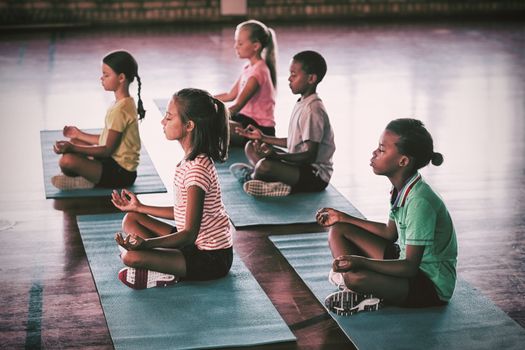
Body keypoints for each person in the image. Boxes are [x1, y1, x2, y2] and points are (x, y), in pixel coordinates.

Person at [316, 118, 458, 316]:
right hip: (407, 264)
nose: (375, 153)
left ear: (403, 161)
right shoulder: (402, 188)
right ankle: (361, 288)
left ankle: (360, 287)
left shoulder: (420, 202)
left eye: (382, 150)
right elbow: (390, 233)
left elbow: (409, 268)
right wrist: (342, 217)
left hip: (429, 285)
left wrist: (361, 262)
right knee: (338, 230)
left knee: (355, 278)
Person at [111, 88, 233, 290]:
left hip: (211, 258)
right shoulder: (189, 160)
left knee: (130, 256)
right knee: (131, 218)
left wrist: (146, 245)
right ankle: (160, 262)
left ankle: (166, 272)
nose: (162, 122)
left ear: (189, 125)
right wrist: (139, 207)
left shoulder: (197, 170)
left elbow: (188, 234)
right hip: (192, 244)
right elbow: (182, 213)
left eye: (168, 117)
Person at [230, 50, 335, 197]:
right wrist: (262, 137)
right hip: (300, 166)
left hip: (314, 176)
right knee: (250, 147)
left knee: (265, 165)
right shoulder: (303, 102)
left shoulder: (312, 110)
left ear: (311, 78)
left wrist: (277, 156)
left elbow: (310, 156)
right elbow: (294, 142)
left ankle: (253, 177)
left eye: (294, 75)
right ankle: (265, 179)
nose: (289, 79)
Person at [51, 50, 146, 190]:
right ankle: (88, 175)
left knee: (67, 161)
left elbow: (106, 150)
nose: (102, 79)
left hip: (121, 174)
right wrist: (78, 135)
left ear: (121, 78)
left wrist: (72, 148)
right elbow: (106, 140)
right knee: (75, 142)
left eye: (106, 75)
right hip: (112, 163)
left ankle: (86, 182)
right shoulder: (123, 103)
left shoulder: (120, 110)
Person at [214, 19, 277, 146]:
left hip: (258, 129)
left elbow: (237, 105)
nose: (235, 46)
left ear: (255, 46)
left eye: (240, 43)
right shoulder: (248, 68)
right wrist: (205, 99)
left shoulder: (258, 73)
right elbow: (230, 95)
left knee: (210, 124)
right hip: (244, 120)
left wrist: (212, 116)